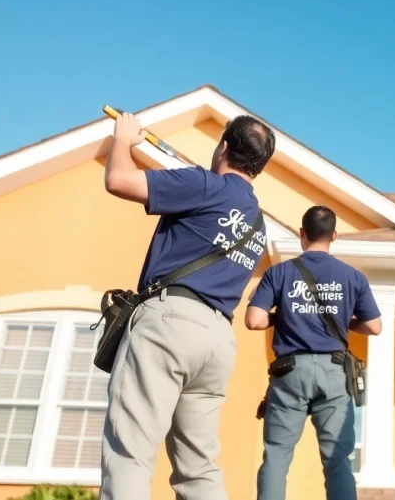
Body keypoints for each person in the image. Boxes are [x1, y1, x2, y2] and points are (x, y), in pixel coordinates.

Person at [100, 111, 276, 500]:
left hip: (171, 322)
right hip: (216, 341)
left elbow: (118, 180)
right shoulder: (258, 224)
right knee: (198, 468)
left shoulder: (206, 185)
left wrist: (123, 139)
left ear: (224, 146)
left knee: (130, 450)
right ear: (259, 166)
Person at [245, 205, 383, 500]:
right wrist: (344, 320)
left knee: (277, 457)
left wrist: (283, 317)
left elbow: (254, 320)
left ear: (301, 234)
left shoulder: (279, 273)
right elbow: (374, 326)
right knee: (337, 461)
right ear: (334, 235)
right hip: (334, 373)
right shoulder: (353, 277)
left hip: (289, 372)